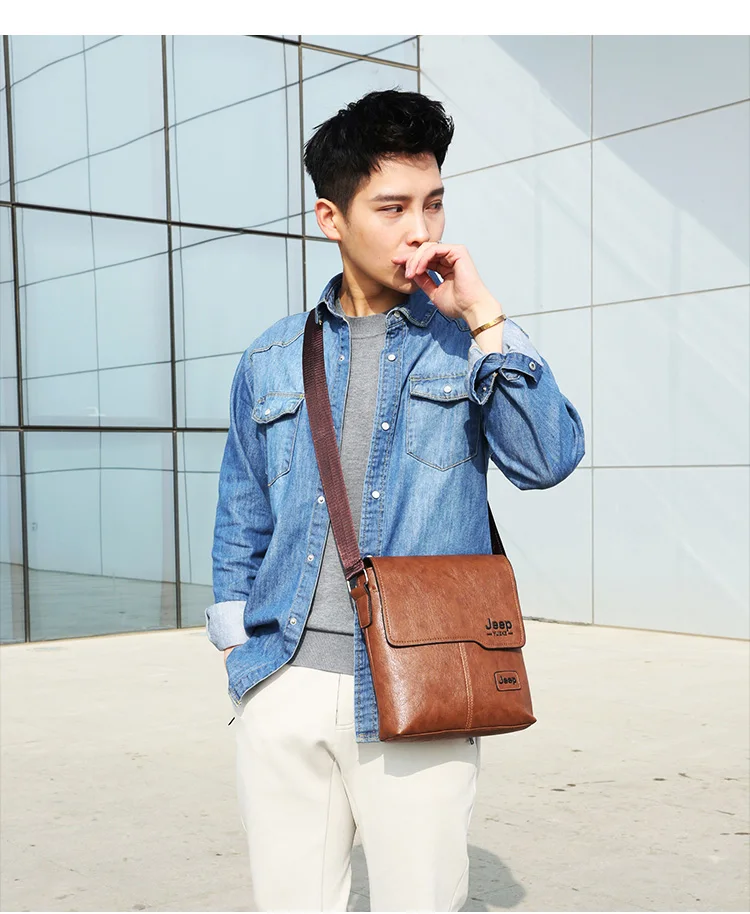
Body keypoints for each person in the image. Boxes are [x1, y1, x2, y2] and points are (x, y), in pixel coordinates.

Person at [206, 88, 585, 912]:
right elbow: (242, 510)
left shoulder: (467, 343)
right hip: (282, 681)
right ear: (331, 218)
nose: (422, 229)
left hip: (422, 686)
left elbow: (547, 459)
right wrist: (241, 655)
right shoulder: (271, 357)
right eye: (393, 207)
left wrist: (484, 318)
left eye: (433, 203)